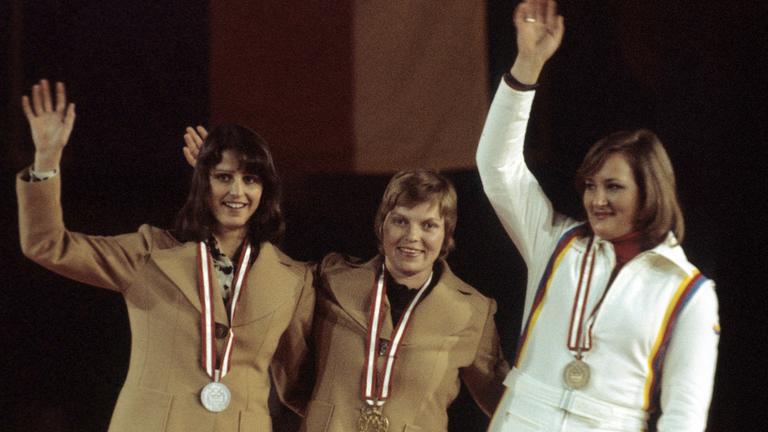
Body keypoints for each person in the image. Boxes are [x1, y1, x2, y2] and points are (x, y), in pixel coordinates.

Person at [476, 1, 720, 431]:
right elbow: (497, 167)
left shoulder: (689, 292)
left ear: (650, 191)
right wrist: (527, 65)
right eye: (590, 186)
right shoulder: (557, 243)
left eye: (614, 187)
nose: (597, 200)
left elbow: (684, 417)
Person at [17, 79, 314, 431]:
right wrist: (46, 160)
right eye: (223, 177)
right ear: (203, 184)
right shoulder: (149, 254)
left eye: (250, 180)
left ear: (265, 191)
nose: (237, 191)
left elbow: (299, 384)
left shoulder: (293, 281)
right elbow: (48, 244)